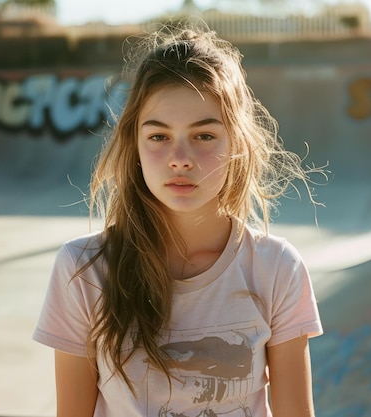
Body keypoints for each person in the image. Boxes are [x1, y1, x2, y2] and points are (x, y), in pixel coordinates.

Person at [33, 20, 327, 417]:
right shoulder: (84, 269)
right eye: (158, 136)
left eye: (204, 135)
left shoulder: (276, 268)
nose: (180, 158)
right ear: (134, 144)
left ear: (237, 143)